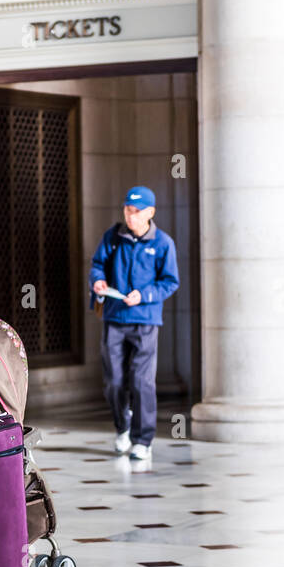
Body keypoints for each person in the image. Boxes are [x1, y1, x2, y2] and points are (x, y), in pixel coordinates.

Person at [90, 185, 180, 462]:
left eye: (136, 212)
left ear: (150, 212)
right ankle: (123, 426)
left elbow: (170, 282)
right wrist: (98, 281)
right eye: (127, 210)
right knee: (113, 381)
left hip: (145, 321)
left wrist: (145, 295)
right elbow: (97, 265)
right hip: (114, 318)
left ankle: (143, 439)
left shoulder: (163, 243)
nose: (130, 217)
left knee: (142, 382)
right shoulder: (113, 236)